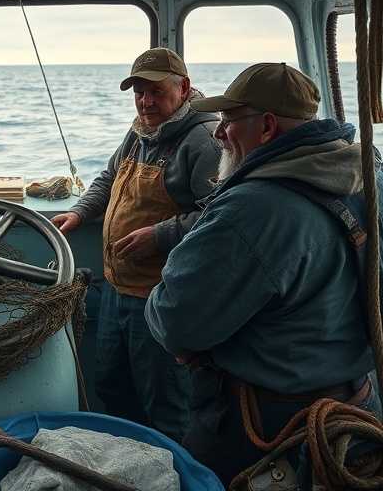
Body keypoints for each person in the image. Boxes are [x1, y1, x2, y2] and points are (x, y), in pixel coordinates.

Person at [145, 62, 382, 485]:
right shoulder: (369, 175)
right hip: (358, 408)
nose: (219, 133)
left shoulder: (253, 209)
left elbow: (175, 321)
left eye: (230, 121)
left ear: (268, 126)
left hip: (271, 430)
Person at [51, 47, 220, 443]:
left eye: (155, 92)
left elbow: (218, 218)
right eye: (139, 93)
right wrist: (79, 213)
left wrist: (159, 236)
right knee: (112, 387)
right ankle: (133, 466)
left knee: (167, 406)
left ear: (183, 88)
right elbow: (107, 181)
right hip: (117, 289)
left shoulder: (204, 140)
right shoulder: (139, 130)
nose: (145, 102)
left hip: (162, 297)